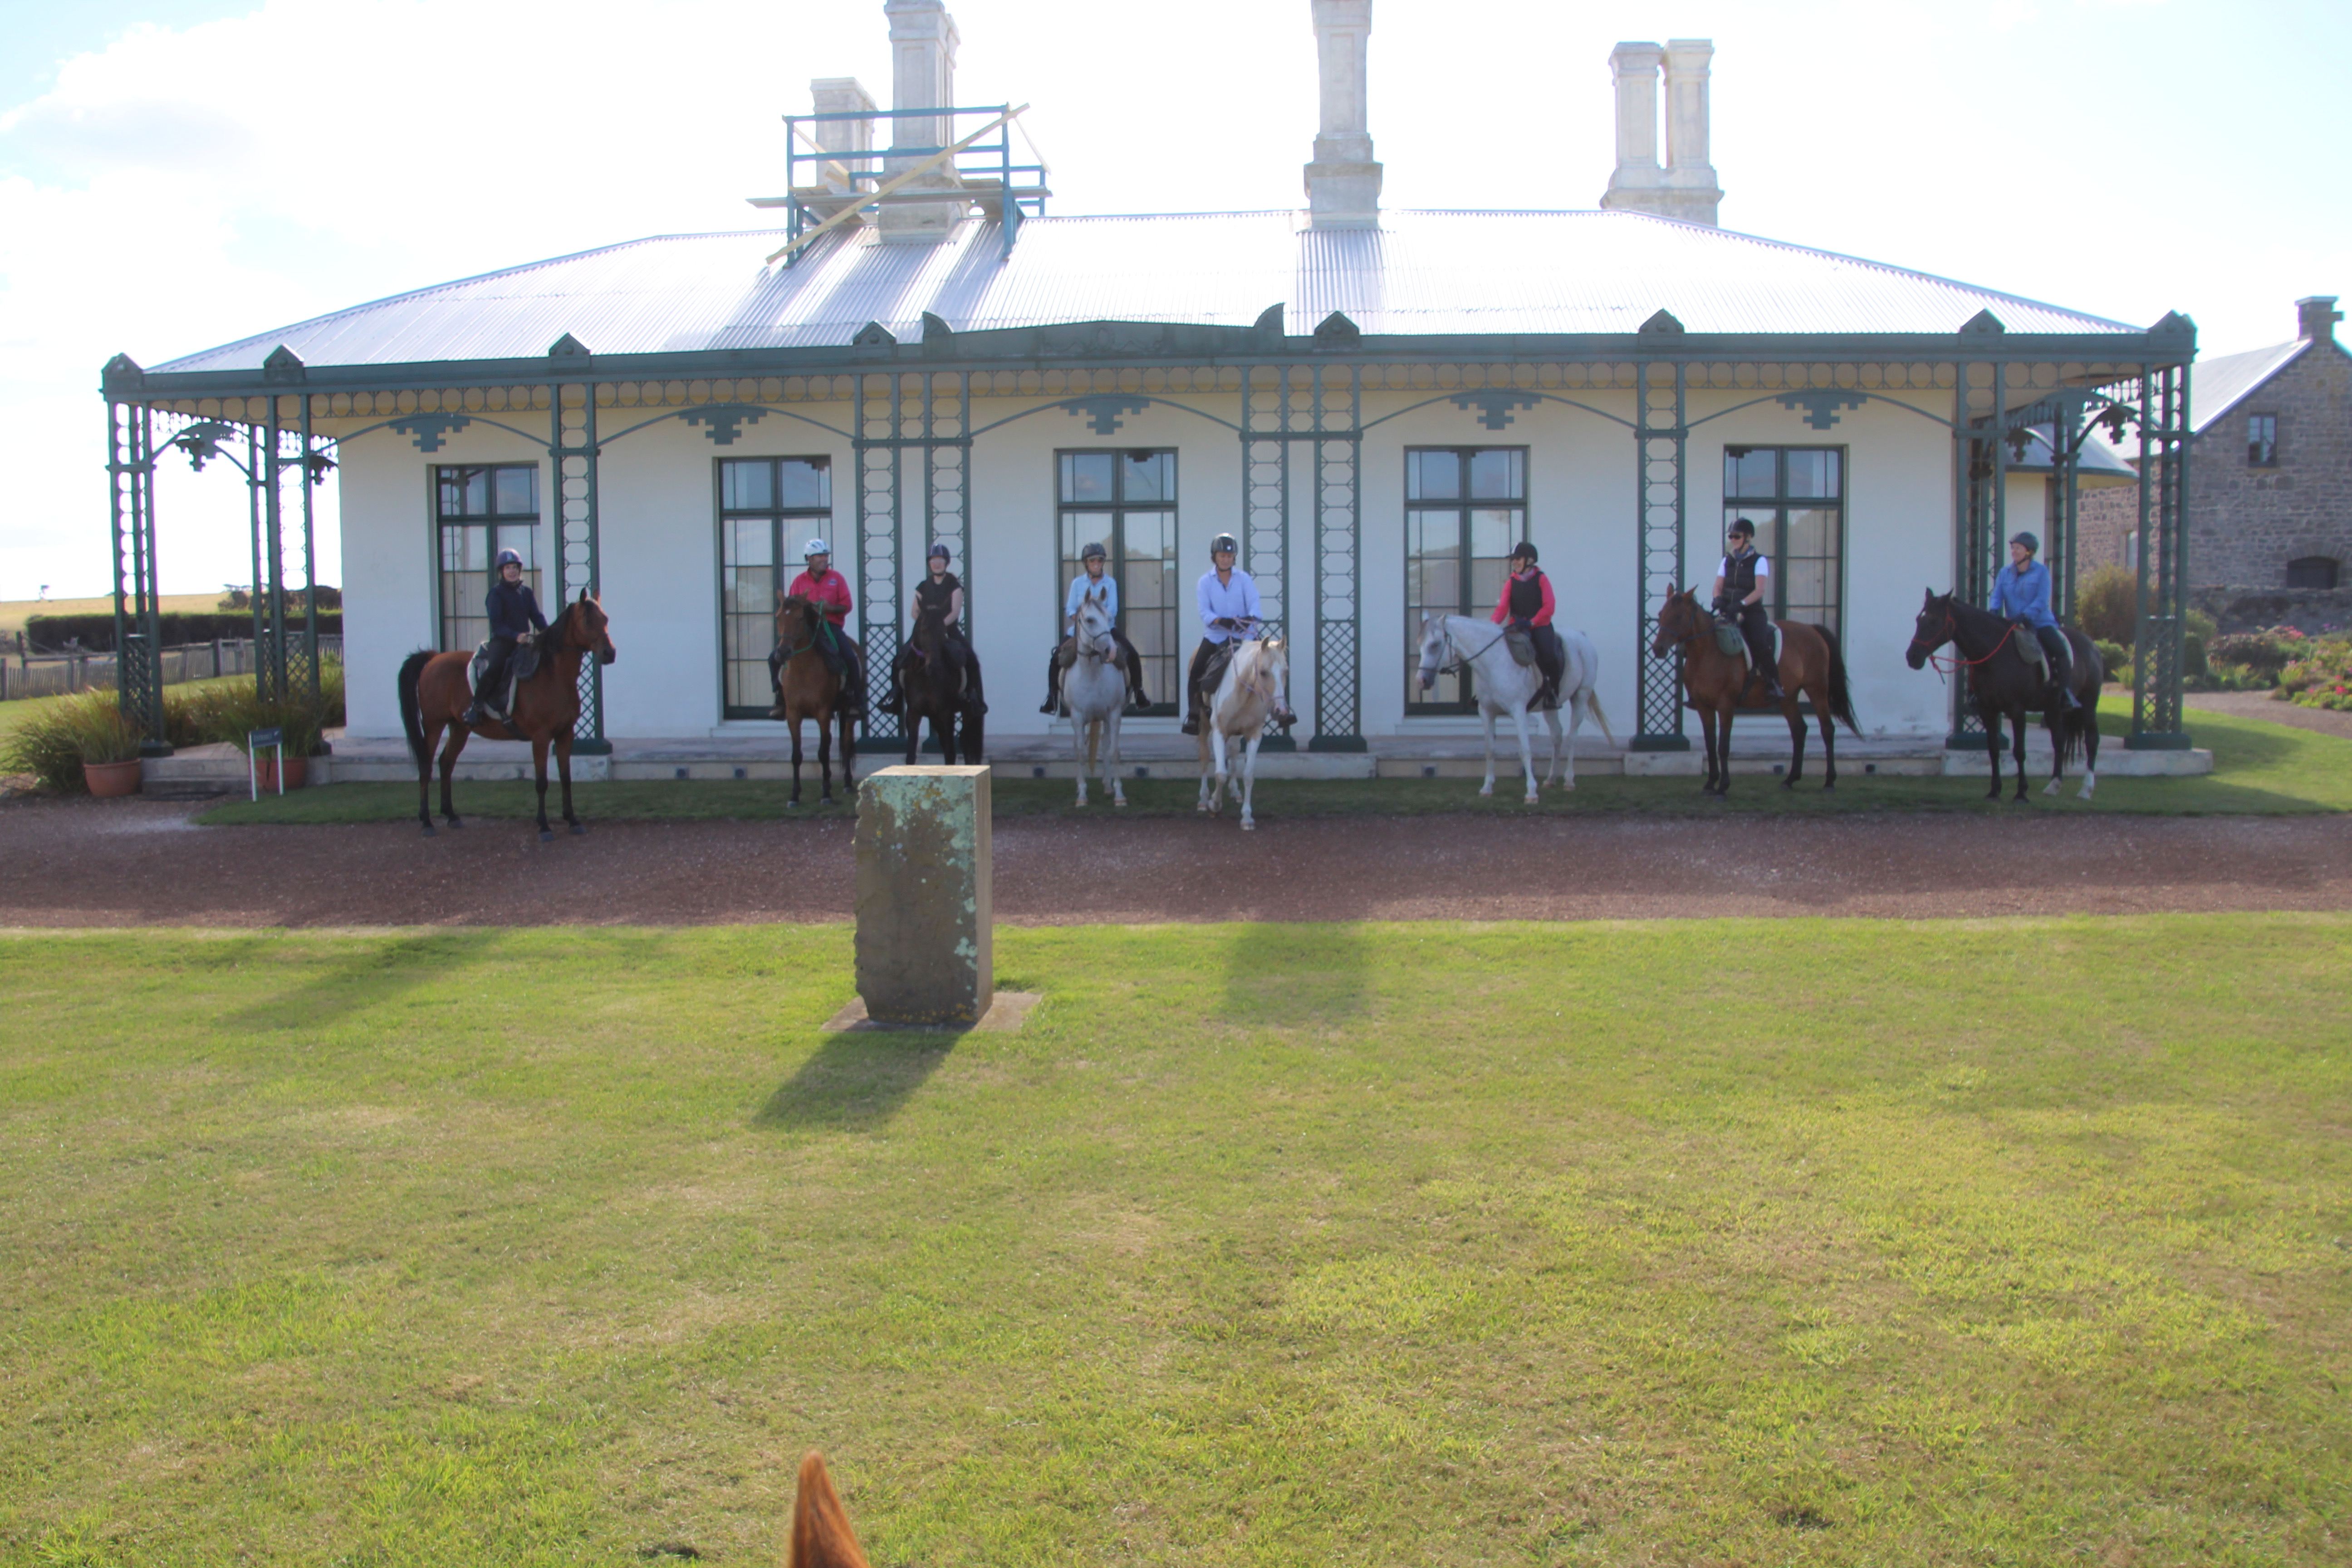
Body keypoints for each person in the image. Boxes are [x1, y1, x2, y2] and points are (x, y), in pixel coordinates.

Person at [1182, 533, 1297, 735]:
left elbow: (1255, 604)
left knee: (1275, 667)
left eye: (1229, 556)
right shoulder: (1205, 582)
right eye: (1222, 556)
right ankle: (1193, 715)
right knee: (1196, 671)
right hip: (1216, 637)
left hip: (1246, 637)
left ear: (1234, 558)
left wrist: (1250, 618)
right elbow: (1205, 612)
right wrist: (1221, 620)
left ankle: (1283, 710)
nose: (1226, 560)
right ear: (1215, 557)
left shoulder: (1244, 579)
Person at [1041, 541, 1149, 715]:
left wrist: (1097, 620)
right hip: (1080, 631)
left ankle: (1139, 692)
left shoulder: (1110, 583)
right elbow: (1070, 609)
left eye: (1100, 560)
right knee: (1056, 658)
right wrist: (1083, 620)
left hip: (1106, 630)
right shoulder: (1077, 583)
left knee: (1133, 654)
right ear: (1086, 563)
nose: (1096, 564)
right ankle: (1052, 697)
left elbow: (1112, 610)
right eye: (1092, 561)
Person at [882, 542, 986, 715]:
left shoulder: (954, 586)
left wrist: (938, 626)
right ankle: (896, 695)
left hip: (948, 631)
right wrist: (927, 625)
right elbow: (914, 611)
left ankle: (973, 697)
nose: (937, 564)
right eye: (933, 560)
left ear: (946, 562)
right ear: (929, 563)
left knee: (971, 659)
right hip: (924, 633)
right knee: (900, 658)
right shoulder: (923, 586)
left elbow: (955, 612)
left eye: (940, 560)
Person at [772, 539, 867, 721]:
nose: (824, 559)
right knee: (774, 657)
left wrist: (830, 608)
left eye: (825, 556)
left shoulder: (837, 579)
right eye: (819, 556)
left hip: (830, 625)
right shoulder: (799, 581)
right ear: (809, 559)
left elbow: (847, 605)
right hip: (805, 628)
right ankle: (780, 698)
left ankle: (854, 700)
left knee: (850, 656)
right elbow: (792, 607)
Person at [1988, 529, 2080, 710]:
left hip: (2039, 623)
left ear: (2029, 552)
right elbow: (1997, 596)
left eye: (2018, 548)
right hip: (2013, 624)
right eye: (2013, 548)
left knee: (2059, 650)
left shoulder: (2041, 572)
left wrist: (2025, 615)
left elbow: (2042, 599)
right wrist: (1994, 611)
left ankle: (2065, 693)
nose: (2014, 552)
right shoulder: (2005, 573)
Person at [463, 548, 546, 726]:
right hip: (503, 641)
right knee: (496, 668)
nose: (512, 571)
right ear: (502, 571)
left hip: (524, 641)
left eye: (515, 567)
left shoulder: (527, 592)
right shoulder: (496, 594)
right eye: (508, 568)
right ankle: (476, 707)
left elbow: (537, 617)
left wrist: (547, 633)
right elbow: (497, 625)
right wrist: (516, 636)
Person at [1712, 518, 1785, 703]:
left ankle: (1774, 684)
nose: (1733, 540)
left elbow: (1759, 591)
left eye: (1737, 536)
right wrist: (1718, 599)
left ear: (1748, 538)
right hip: (1728, 610)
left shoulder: (1760, 561)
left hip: (1751, 612)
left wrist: (1741, 604)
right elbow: (1718, 585)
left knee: (1759, 642)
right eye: (1731, 536)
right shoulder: (1726, 560)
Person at [1491, 540, 1566, 707]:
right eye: (1513, 559)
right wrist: (1493, 625)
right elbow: (1502, 608)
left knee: (1548, 654)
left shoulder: (1542, 579)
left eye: (1518, 559)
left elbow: (1549, 607)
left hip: (1540, 626)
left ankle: (1553, 692)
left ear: (1530, 561)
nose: (1515, 562)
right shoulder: (1511, 582)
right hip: (1518, 626)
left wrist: (1533, 621)